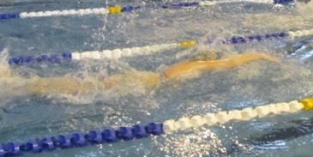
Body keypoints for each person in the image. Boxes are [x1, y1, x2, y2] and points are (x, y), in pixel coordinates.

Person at [18, 51, 279, 97]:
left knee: (90, 86)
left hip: (147, 77)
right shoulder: (203, 66)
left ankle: (31, 84)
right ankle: (30, 86)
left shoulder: (184, 66)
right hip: (146, 82)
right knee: (87, 89)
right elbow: (234, 62)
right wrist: (262, 56)